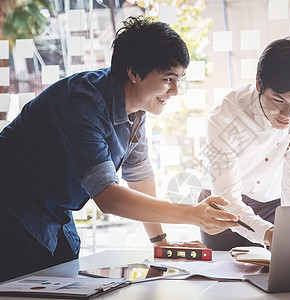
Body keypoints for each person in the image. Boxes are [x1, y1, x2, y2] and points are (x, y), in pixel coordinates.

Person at [0, 16, 239, 282]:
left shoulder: (137, 106)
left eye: (179, 79)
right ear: (134, 72)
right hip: (11, 212)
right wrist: (192, 215)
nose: (175, 91)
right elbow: (109, 198)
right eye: (168, 79)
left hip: (53, 214)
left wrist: (161, 241)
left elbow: (139, 173)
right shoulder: (80, 103)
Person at [199, 37, 290, 250]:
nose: (289, 114)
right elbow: (227, 196)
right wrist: (266, 233)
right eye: (279, 100)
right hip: (222, 202)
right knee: (223, 273)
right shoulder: (226, 115)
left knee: (277, 274)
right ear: (259, 84)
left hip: (271, 202)